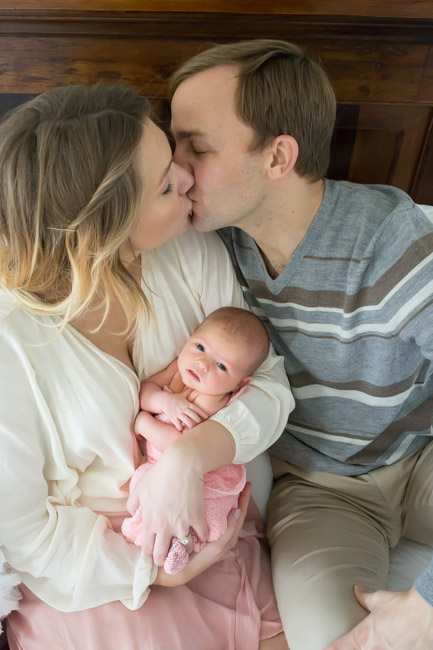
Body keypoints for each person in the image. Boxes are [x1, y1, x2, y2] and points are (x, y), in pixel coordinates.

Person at [0, 83, 293, 649]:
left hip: (211, 520)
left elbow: (269, 386)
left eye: (175, 157)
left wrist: (189, 456)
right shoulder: (12, 342)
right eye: (165, 183)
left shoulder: (188, 251)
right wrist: (154, 571)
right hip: (94, 571)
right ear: (105, 229)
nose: (188, 177)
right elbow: (25, 534)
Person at [167, 39, 433, 650]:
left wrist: (422, 605)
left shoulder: (393, 242)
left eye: (197, 148)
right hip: (320, 493)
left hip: (420, 457)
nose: (176, 169)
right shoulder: (206, 248)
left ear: (279, 157)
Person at [122, 306, 269, 575]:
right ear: (192, 335)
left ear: (238, 384)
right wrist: (165, 401)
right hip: (164, 465)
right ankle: (153, 539)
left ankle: (182, 547)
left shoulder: (212, 399)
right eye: (200, 346)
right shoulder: (180, 369)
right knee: (143, 489)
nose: (203, 363)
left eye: (222, 366)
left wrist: (143, 422)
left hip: (203, 478)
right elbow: (146, 392)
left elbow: (176, 445)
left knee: (199, 514)